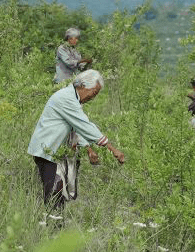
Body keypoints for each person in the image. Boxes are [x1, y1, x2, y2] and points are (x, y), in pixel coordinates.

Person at [27, 70, 124, 220]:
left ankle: (55, 229)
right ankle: (53, 231)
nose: (93, 97)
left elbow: (76, 126)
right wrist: (112, 148)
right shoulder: (66, 98)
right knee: (54, 194)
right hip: (47, 151)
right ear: (83, 85)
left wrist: (88, 149)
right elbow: (84, 125)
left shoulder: (73, 98)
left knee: (59, 194)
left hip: (54, 152)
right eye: (94, 92)